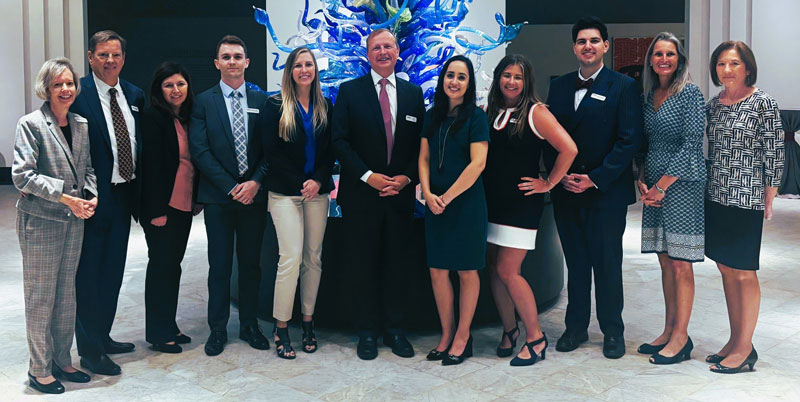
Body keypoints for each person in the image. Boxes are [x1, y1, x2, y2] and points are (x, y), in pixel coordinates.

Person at [544, 17, 643, 359]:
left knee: (607, 263)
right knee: (576, 262)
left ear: (605, 46)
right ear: (574, 47)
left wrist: (595, 177)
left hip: (605, 193)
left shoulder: (624, 87)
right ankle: (575, 328)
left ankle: (612, 331)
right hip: (567, 191)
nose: (587, 46)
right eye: (581, 41)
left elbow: (629, 140)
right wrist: (561, 176)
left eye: (594, 40)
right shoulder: (558, 87)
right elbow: (547, 138)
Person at [332, 28, 425, 360]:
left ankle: (395, 331)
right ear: (367, 54)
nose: (383, 52)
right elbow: (339, 141)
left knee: (396, 265)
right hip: (361, 196)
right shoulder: (349, 92)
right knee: (363, 265)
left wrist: (407, 177)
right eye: (376, 48)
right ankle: (367, 332)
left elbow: (420, 147)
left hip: (399, 197)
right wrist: (369, 176)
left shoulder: (414, 95)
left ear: (397, 51)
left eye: (388, 46)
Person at [483, 54, 577, 366]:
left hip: (521, 204)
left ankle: (535, 337)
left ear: (527, 82)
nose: (511, 81)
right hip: (493, 202)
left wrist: (549, 183)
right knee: (496, 269)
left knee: (509, 271)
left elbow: (569, 148)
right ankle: (509, 331)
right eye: (507, 75)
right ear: (499, 78)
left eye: (518, 77)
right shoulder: (491, 110)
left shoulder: (536, 112)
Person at [13, 58, 97, 394]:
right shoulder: (30, 124)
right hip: (42, 223)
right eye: (58, 84)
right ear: (46, 88)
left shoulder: (80, 124)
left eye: (70, 83)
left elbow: (88, 169)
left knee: (66, 297)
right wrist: (67, 198)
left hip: (74, 221)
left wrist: (91, 197)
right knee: (41, 297)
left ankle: (63, 360)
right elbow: (23, 175)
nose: (65, 89)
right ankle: (39, 369)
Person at [704, 41, 784, 374]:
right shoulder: (715, 104)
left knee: (744, 271)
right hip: (716, 193)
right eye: (721, 64)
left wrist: (771, 192)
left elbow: (775, 150)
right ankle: (735, 340)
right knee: (725, 267)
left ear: (747, 67)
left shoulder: (763, 102)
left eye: (734, 63)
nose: (727, 70)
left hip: (746, 195)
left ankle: (745, 346)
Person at [189, 35, 270, 357]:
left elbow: (270, 150)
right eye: (226, 56)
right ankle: (218, 329)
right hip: (220, 198)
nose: (233, 61)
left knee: (251, 264)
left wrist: (254, 183)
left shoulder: (263, 101)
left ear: (247, 62)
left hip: (254, 196)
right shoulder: (202, 102)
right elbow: (200, 150)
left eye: (238, 56)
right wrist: (230, 187)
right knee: (219, 265)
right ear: (217, 63)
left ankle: (250, 325)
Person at [70, 30, 145, 376]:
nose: (110, 61)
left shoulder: (134, 95)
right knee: (89, 275)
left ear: (124, 58)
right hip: (91, 200)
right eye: (102, 55)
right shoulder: (77, 96)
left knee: (114, 270)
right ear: (90, 57)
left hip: (124, 196)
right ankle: (90, 351)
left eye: (115, 54)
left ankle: (103, 335)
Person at [636, 32, 706, 365]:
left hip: (682, 184)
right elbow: (646, 141)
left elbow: (693, 143)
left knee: (680, 262)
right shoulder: (651, 95)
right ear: (651, 59)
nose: (664, 59)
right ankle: (668, 330)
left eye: (671, 54)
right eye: (659, 53)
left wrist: (662, 185)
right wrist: (642, 178)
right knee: (665, 260)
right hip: (654, 186)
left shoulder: (689, 93)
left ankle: (682, 337)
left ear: (680, 59)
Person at [264, 47, 335, 359]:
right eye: (298, 65)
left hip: (317, 193)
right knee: (290, 258)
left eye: (309, 65)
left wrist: (317, 180)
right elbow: (271, 154)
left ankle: (307, 322)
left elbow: (330, 151)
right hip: (284, 194)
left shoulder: (325, 106)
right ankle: (281, 326)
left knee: (313, 258)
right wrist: (299, 183)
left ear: (315, 70)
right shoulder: (274, 106)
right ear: (290, 70)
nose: (304, 70)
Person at [419, 55, 489, 366]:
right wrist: (428, 194)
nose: (455, 81)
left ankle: (463, 336)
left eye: (462, 77)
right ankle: (446, 335)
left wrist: (445, 197)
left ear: (469, 83)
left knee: (466, 270)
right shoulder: (431, 116)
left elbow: (478, 163)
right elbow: (422, 159)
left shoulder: (476, 117)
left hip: (465, 205)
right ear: (442, 79)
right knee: (437, 271)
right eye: (450, 75)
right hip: (435, 206)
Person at [141, 62, 200, 354]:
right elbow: (150, 168)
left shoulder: (187, 117)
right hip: (162, 206)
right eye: (168, 85)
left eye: (180, 84)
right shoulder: (153, 117)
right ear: (159, 89)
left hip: (184, 204)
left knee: (172, 267)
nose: (175, 90)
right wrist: (155, 211)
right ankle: (158, 332)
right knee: (161, 266)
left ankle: (169, 324)